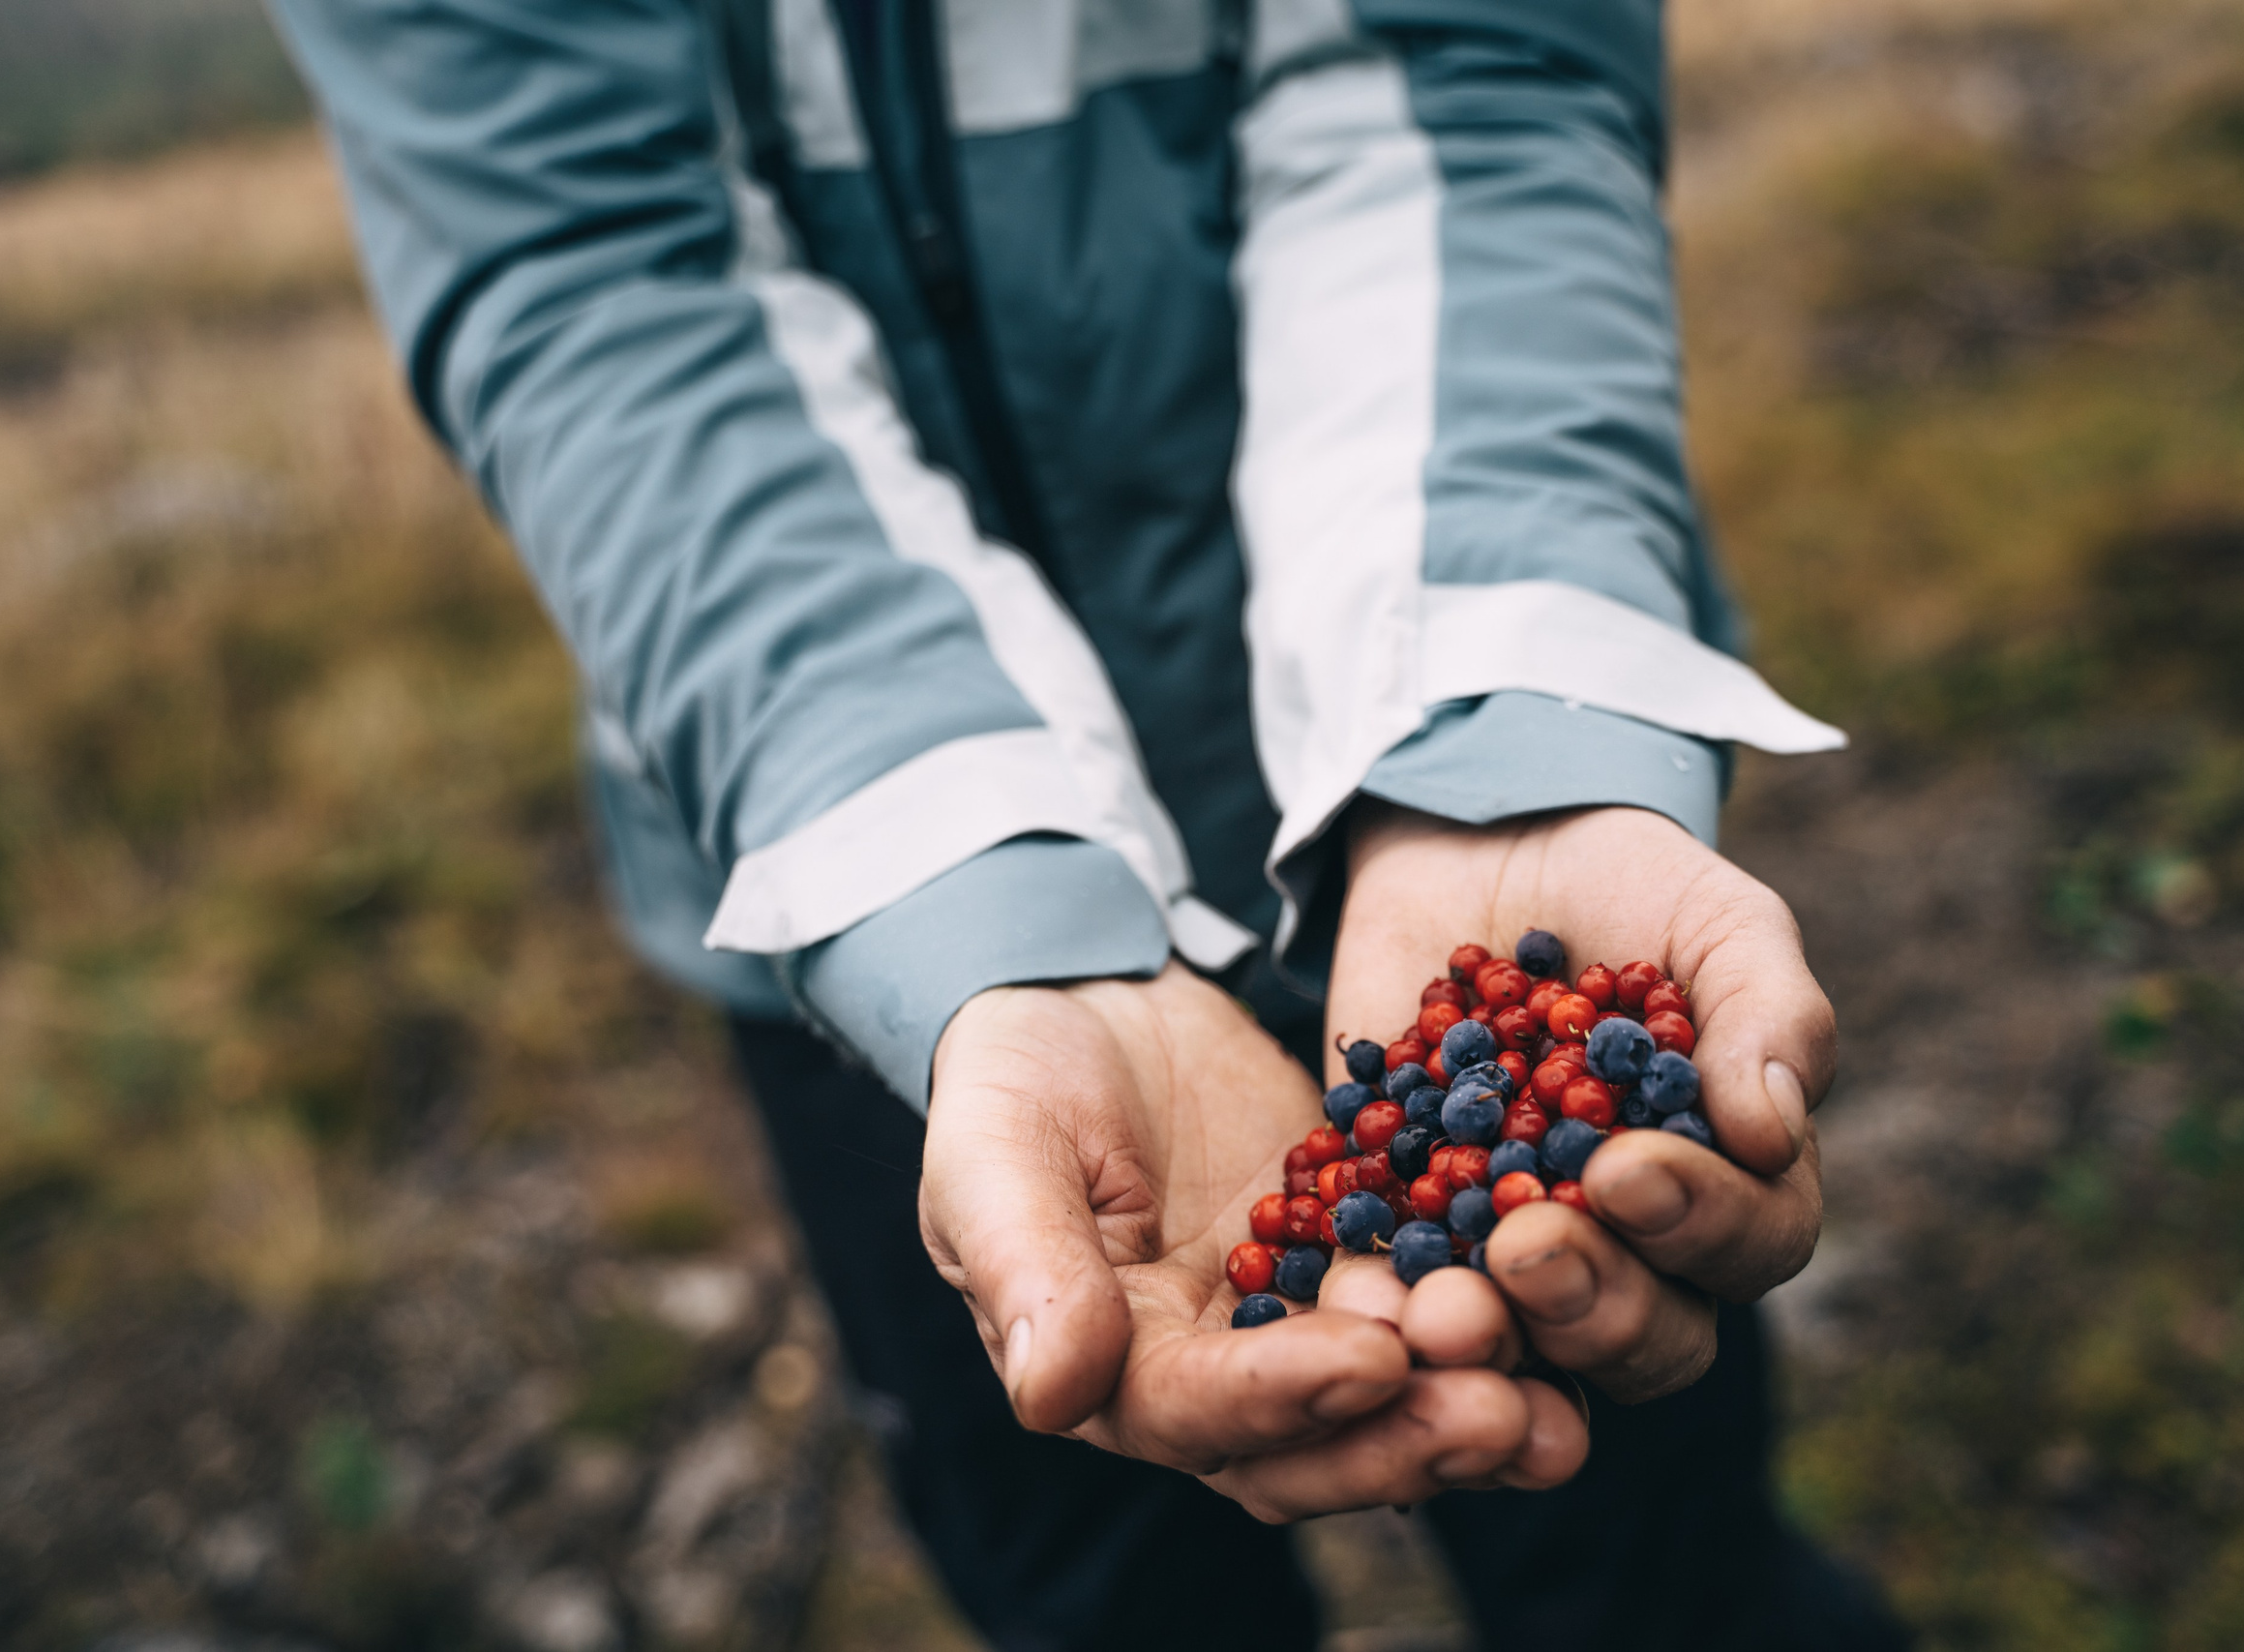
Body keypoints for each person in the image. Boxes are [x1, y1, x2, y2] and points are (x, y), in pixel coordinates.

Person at [269, 0, 1908, 1645]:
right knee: (1094, 1564)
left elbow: (1471, 74)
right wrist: (964, 903)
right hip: (864, 890)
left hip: (1388, 754)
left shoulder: (1515, 1026)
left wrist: (1491, 718)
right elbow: (592, 282)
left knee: (1651, 1555)